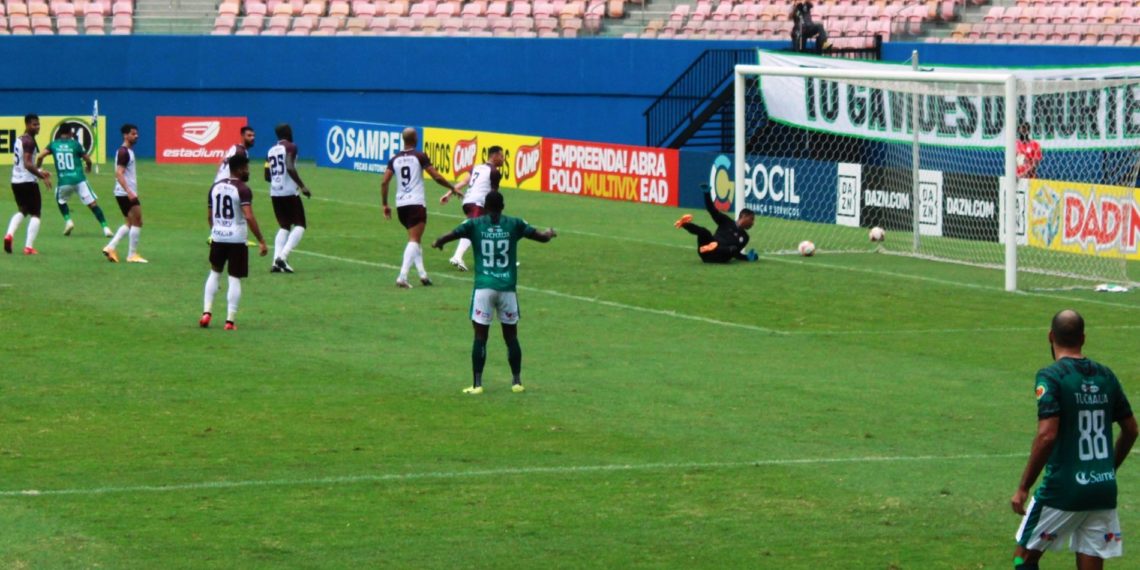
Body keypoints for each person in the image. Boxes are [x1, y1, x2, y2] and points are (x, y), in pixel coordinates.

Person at [1011, 309, 1138, 570]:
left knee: (1021, 558)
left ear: (1050, 336)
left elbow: (1047, 435)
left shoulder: (1052, 376)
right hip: (1102, 489)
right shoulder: (1106, 376)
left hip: (1064, 489)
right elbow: (1131, 430)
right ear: (1083, 337)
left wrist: (1024, 486)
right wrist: (1107, 468)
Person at [431, 191, 556, 394]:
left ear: (486, 207)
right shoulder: (514, 223)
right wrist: (549, 233)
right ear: (503, 206)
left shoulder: (475, 224)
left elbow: (452, 234)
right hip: (507, 289)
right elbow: (541, 238)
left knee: (480, 337)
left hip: (484, 287)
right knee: (511, 337)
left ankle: (477, 384)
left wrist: (439, 242)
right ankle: (516, 382)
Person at [382, 127, 456, 288]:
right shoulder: (419, 156)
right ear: (415, 139)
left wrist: (385, 204)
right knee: (414, 241)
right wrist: (452, 188)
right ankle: (402, 277)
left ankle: (423, 275)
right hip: (416, 203)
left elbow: (384, 181)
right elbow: (436, 176)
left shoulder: (394, 159)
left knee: (415, 240)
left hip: (401, 205)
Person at [200, 155, 268, 331]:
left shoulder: (214, 187)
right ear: (239, 169)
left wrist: (214, 232)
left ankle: (206, 312)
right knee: (234, 278)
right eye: (246, 167)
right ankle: (229, 321)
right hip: (237, 239)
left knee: (215, 272)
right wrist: (261, 240)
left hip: (218, 236)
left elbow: (209, 216)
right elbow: (249, 216)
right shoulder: (243, 189)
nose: (248, 171)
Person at [36, 125, 112, 238]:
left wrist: (39, 170)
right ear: (70, 133)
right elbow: (88, 160)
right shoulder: (76, 145)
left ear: (60, 133)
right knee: (93, 204)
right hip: (79, 180)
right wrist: (89, 167)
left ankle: (68, 221)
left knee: (60, 200)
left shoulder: (54, 145)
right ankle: (105, 228)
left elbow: (40, 156)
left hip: (64, 181)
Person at [440, 145, 503, 271]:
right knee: (473, 227)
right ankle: (457, 256)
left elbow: (464, 182)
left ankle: (498, 258)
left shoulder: (477, 167)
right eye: (501, 156)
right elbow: (494, 195)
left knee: (488, 229)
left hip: (468, 201)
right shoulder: (495, 172)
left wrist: (449, 193)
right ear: (494, 156)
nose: (503, 159)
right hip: (478, 203)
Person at [265, 123, 310, 273]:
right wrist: (302, 186)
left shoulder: (270, 151)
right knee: (300, 224)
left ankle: (275, 261)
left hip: (275, 192)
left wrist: (277, 181)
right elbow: (290, 167)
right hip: (289, 192)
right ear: (288, 133)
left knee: (284, 226)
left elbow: (267, 175)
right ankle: (283, 257)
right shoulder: (291, 147)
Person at [5, 113, 52, 255]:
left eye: (38, 124)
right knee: (36, 213)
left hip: (16, 181)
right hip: (28, 182)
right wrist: (41, 176)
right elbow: (27, 163)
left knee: (23, 210)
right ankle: (28, 247)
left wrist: (40, 171)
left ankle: (9, 235)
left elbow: (24, 163)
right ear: (26, 124)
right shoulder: (29, 142)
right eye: (34, 124)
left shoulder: (20, 139)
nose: (37, 127)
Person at [673, 186, 758, 263]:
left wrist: (747, 258)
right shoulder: (726, 221)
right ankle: (684, 224)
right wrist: (707, 194)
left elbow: (736, 253)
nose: (752, 223)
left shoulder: (745, 237)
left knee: (732, 249)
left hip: (720, 257)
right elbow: (712, 210)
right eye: (751, 219)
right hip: (706, 254)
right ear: (743, 216)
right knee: (704, 232)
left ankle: (714, 247)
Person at [102, 123, 145, 263]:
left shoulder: (127, 151)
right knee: (137, 221)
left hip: (123, 192)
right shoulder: (124, 152)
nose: (136, 136)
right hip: (126, 193)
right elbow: (118, 173)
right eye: (133, 133)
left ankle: (110, 247)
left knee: (130, 222)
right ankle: (132, 255)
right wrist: (129, 192)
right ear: (125, 135)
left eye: (136, 133)